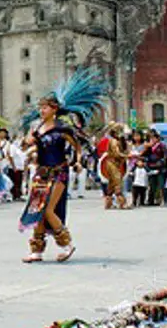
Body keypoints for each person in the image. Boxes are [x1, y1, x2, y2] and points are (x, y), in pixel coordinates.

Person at [19, 67, 106, 263]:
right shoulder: (37, 127)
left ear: (55, 109)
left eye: (45, 107)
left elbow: (78, 146)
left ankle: (67, 245)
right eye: (40, 107)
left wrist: (77, 161)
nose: (41, 110)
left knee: (49, 209)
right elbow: (26, 144)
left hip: (59, 171)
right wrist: (29, 139)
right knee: (37, 211)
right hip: (41, 173)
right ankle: (37, 250)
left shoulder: (63, 128)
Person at [101, 125, 129, 210]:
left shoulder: (117, 141)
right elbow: (116, 153)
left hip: (114, 163)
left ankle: (108, 203)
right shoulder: (113, 141)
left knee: (111, 183)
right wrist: (127, 156)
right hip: (112, 163)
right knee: (117, 181)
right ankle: (122, 203)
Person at [144, 131, 167, 206]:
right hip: (151, 167)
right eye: (151, 138)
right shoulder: (149, 147)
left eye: (154, 138)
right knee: (152, 185)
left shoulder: (162, 146)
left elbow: (165, 156)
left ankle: (166, 200)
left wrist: (161, 163)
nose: (152, 139)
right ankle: (150, 200)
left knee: (162, 185)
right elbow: (146, 156)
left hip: (160, 168)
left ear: (158, 138)